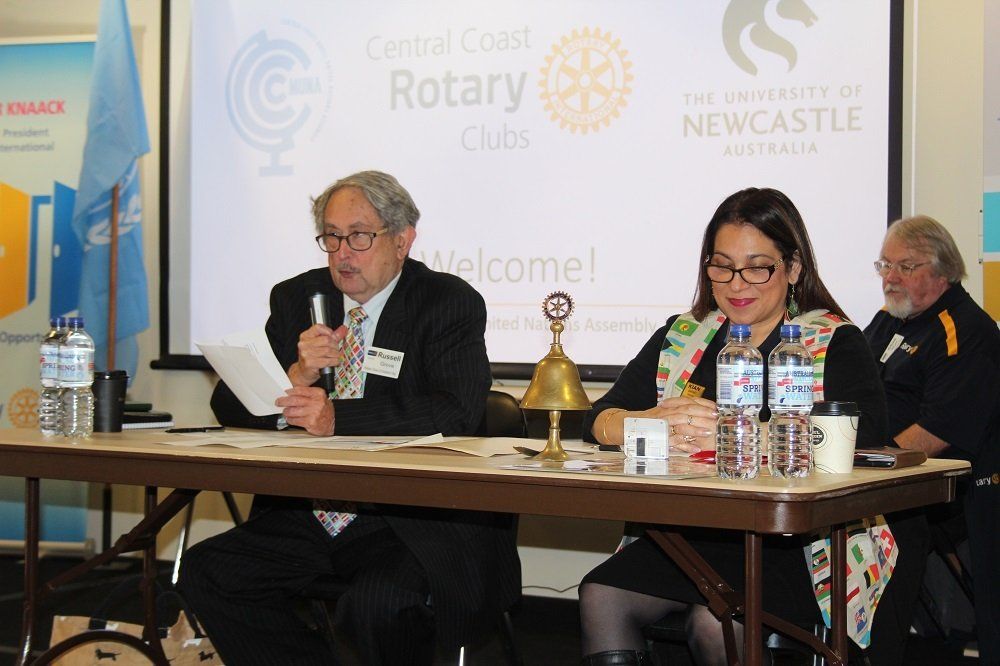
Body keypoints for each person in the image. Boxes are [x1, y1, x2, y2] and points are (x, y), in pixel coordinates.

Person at [177, 171, 520, 665]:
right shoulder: (297, 297)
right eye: (332, 237)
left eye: (359, 236)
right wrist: (296, 375)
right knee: (209, 572)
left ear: (402, 240)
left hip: (407, 519)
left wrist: (337, 417)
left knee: (379, 603)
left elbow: (457, 410)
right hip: (311, 512)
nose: (342, 253)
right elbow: (230, 407)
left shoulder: (446, 302)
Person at [577, 188, 894, 666]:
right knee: (601, 592)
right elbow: (596, 419)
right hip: (694, 533)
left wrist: (751, 437)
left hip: (798, 545)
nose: (737, 283)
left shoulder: (832, 339)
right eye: (722, 266)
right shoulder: (684, 335)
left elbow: (866, 438)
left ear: (793, 269)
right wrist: (639, 421)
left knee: (715, 620)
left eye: (757, 267)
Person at [864, 215, 1000, 665]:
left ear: (942, 271)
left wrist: (868, 467)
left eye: (905, 267)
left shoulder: (965, 331)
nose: (890, 278)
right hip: (877, 475)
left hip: (941, 490)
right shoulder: (889, 319)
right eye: (885, 265)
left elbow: (938, 432)